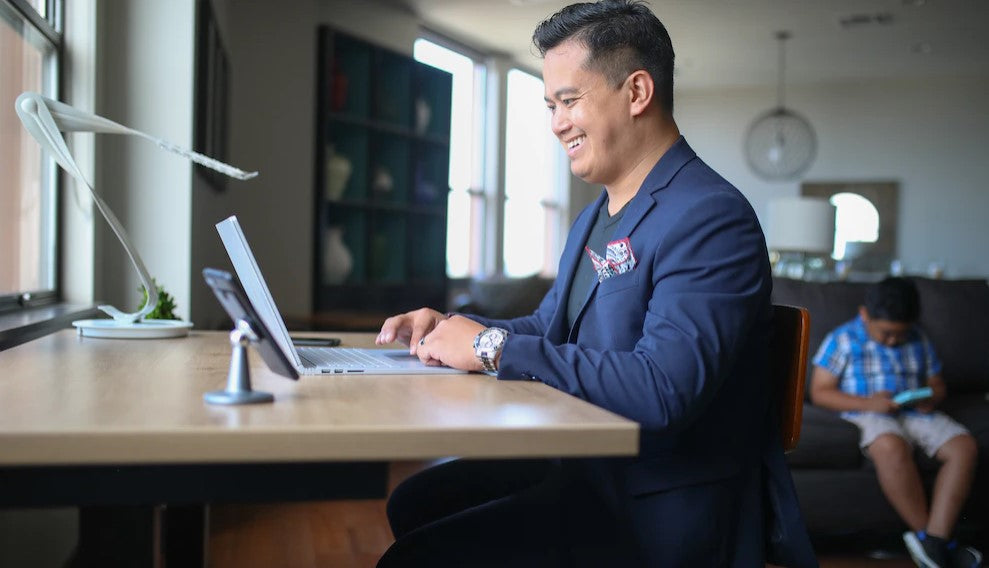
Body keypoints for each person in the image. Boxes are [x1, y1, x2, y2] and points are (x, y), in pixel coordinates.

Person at [375, 1, 816, 565]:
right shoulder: (594, 216)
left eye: (570, 100)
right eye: (550, 105)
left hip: (659, 506)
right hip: (586, 464)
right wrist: (454, 330)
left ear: (637, 92)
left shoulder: (711, 216)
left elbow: (663, 390)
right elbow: (548, 327)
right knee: (416, 500)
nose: (557, 122)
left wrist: (490, 349)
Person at [810, 277, 981, 568]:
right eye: (886, 333)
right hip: (869, 413)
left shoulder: (918, 338)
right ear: (865, 314)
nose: (893, 341)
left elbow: (937, 383)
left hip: (915, 412)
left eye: (900, 335)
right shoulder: (842, 339)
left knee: (964, 446)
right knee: (890, 445)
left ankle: (935, 541)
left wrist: (932, 396)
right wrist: (868, 403)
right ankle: (936, 543)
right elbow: (819, 392)